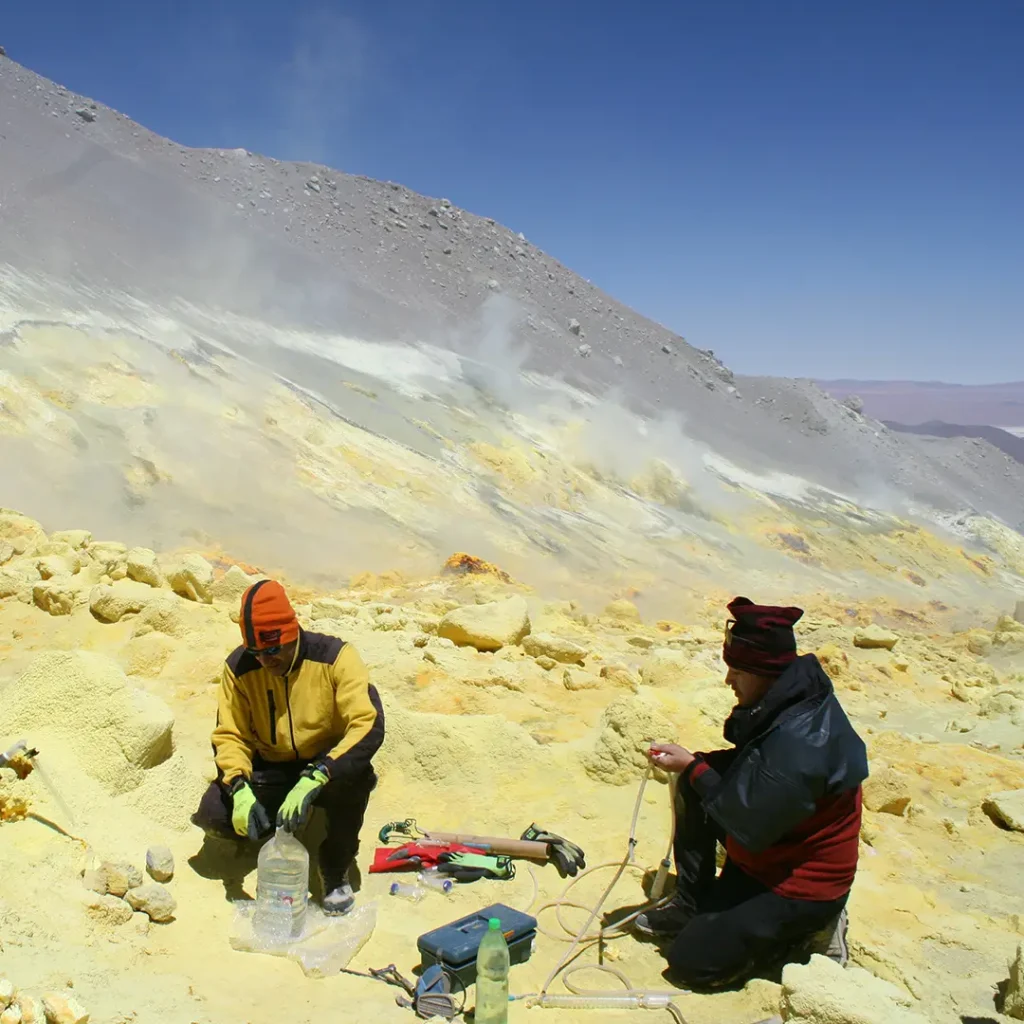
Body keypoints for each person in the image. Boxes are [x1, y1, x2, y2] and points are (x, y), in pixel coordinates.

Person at [634, 596, 868, 990]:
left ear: (766, 672)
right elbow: (751, 768)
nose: (729, 681)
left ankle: (812, 933)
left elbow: (747, 821)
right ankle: (691, 903)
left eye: (738, 671)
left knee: (692, 964)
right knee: (698, 774)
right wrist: (694, 766)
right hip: (771, 847)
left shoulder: (802, 741)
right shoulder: (787, 698)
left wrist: (693, 768)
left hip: (800, 884)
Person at [192, 579, 384, 915]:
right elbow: (229, 735)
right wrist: (238, 787)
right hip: (272, 763)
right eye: (257, 652)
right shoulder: (239, 668)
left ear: (292, 631)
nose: (266, 660)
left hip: (327, 765)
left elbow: (366, 725)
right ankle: (271, 837)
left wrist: (320, 773)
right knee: (215, 816)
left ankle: (334, 864)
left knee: (356, 780)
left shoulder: (336, 658)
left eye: (273, 650)